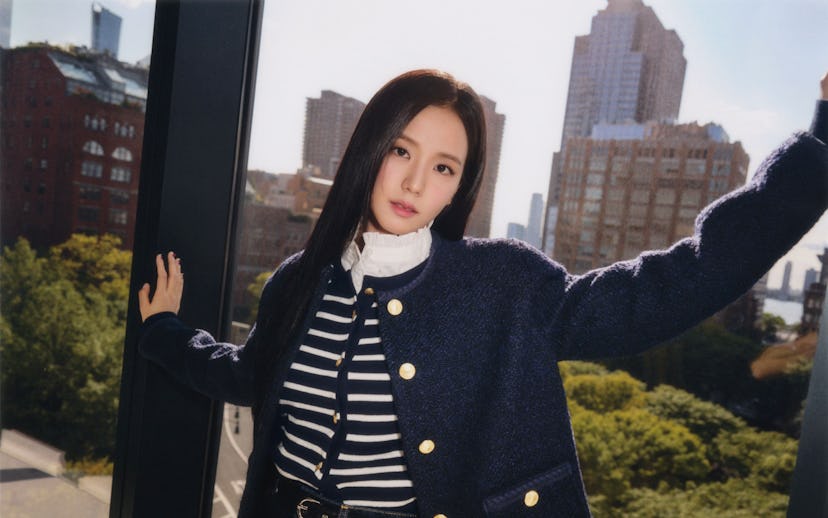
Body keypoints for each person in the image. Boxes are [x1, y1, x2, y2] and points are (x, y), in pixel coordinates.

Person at [138, 69, 828, 517]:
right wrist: (165, 330)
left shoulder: (501, 286)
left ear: (459, 186)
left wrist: (818, 147)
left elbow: (676, 283)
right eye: (401, 151)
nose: (414, 183)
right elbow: (245, 373)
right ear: (368, 151)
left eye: (443, 167)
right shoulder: (296, 282)